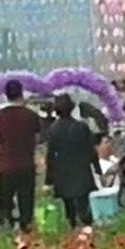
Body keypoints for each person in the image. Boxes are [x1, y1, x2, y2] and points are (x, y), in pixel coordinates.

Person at [0, 79, 41, 231]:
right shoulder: (31, 115)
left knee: (5, 199)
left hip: (5, 165)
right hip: (26, 164)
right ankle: (25, 227)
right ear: (21, 93)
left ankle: (6, 225)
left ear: (5, 95)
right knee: (26, 200)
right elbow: (37, 139)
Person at [46, 93, 100, 229]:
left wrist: (49, 179)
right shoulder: (81, 127)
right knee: (84, 204)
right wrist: (97, 169)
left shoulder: (53, 129)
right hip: (82, 169)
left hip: (62, 172)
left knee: (68, 205)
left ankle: (72, 226)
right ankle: (88, 227)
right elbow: (91, 151)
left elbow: (51, 155)